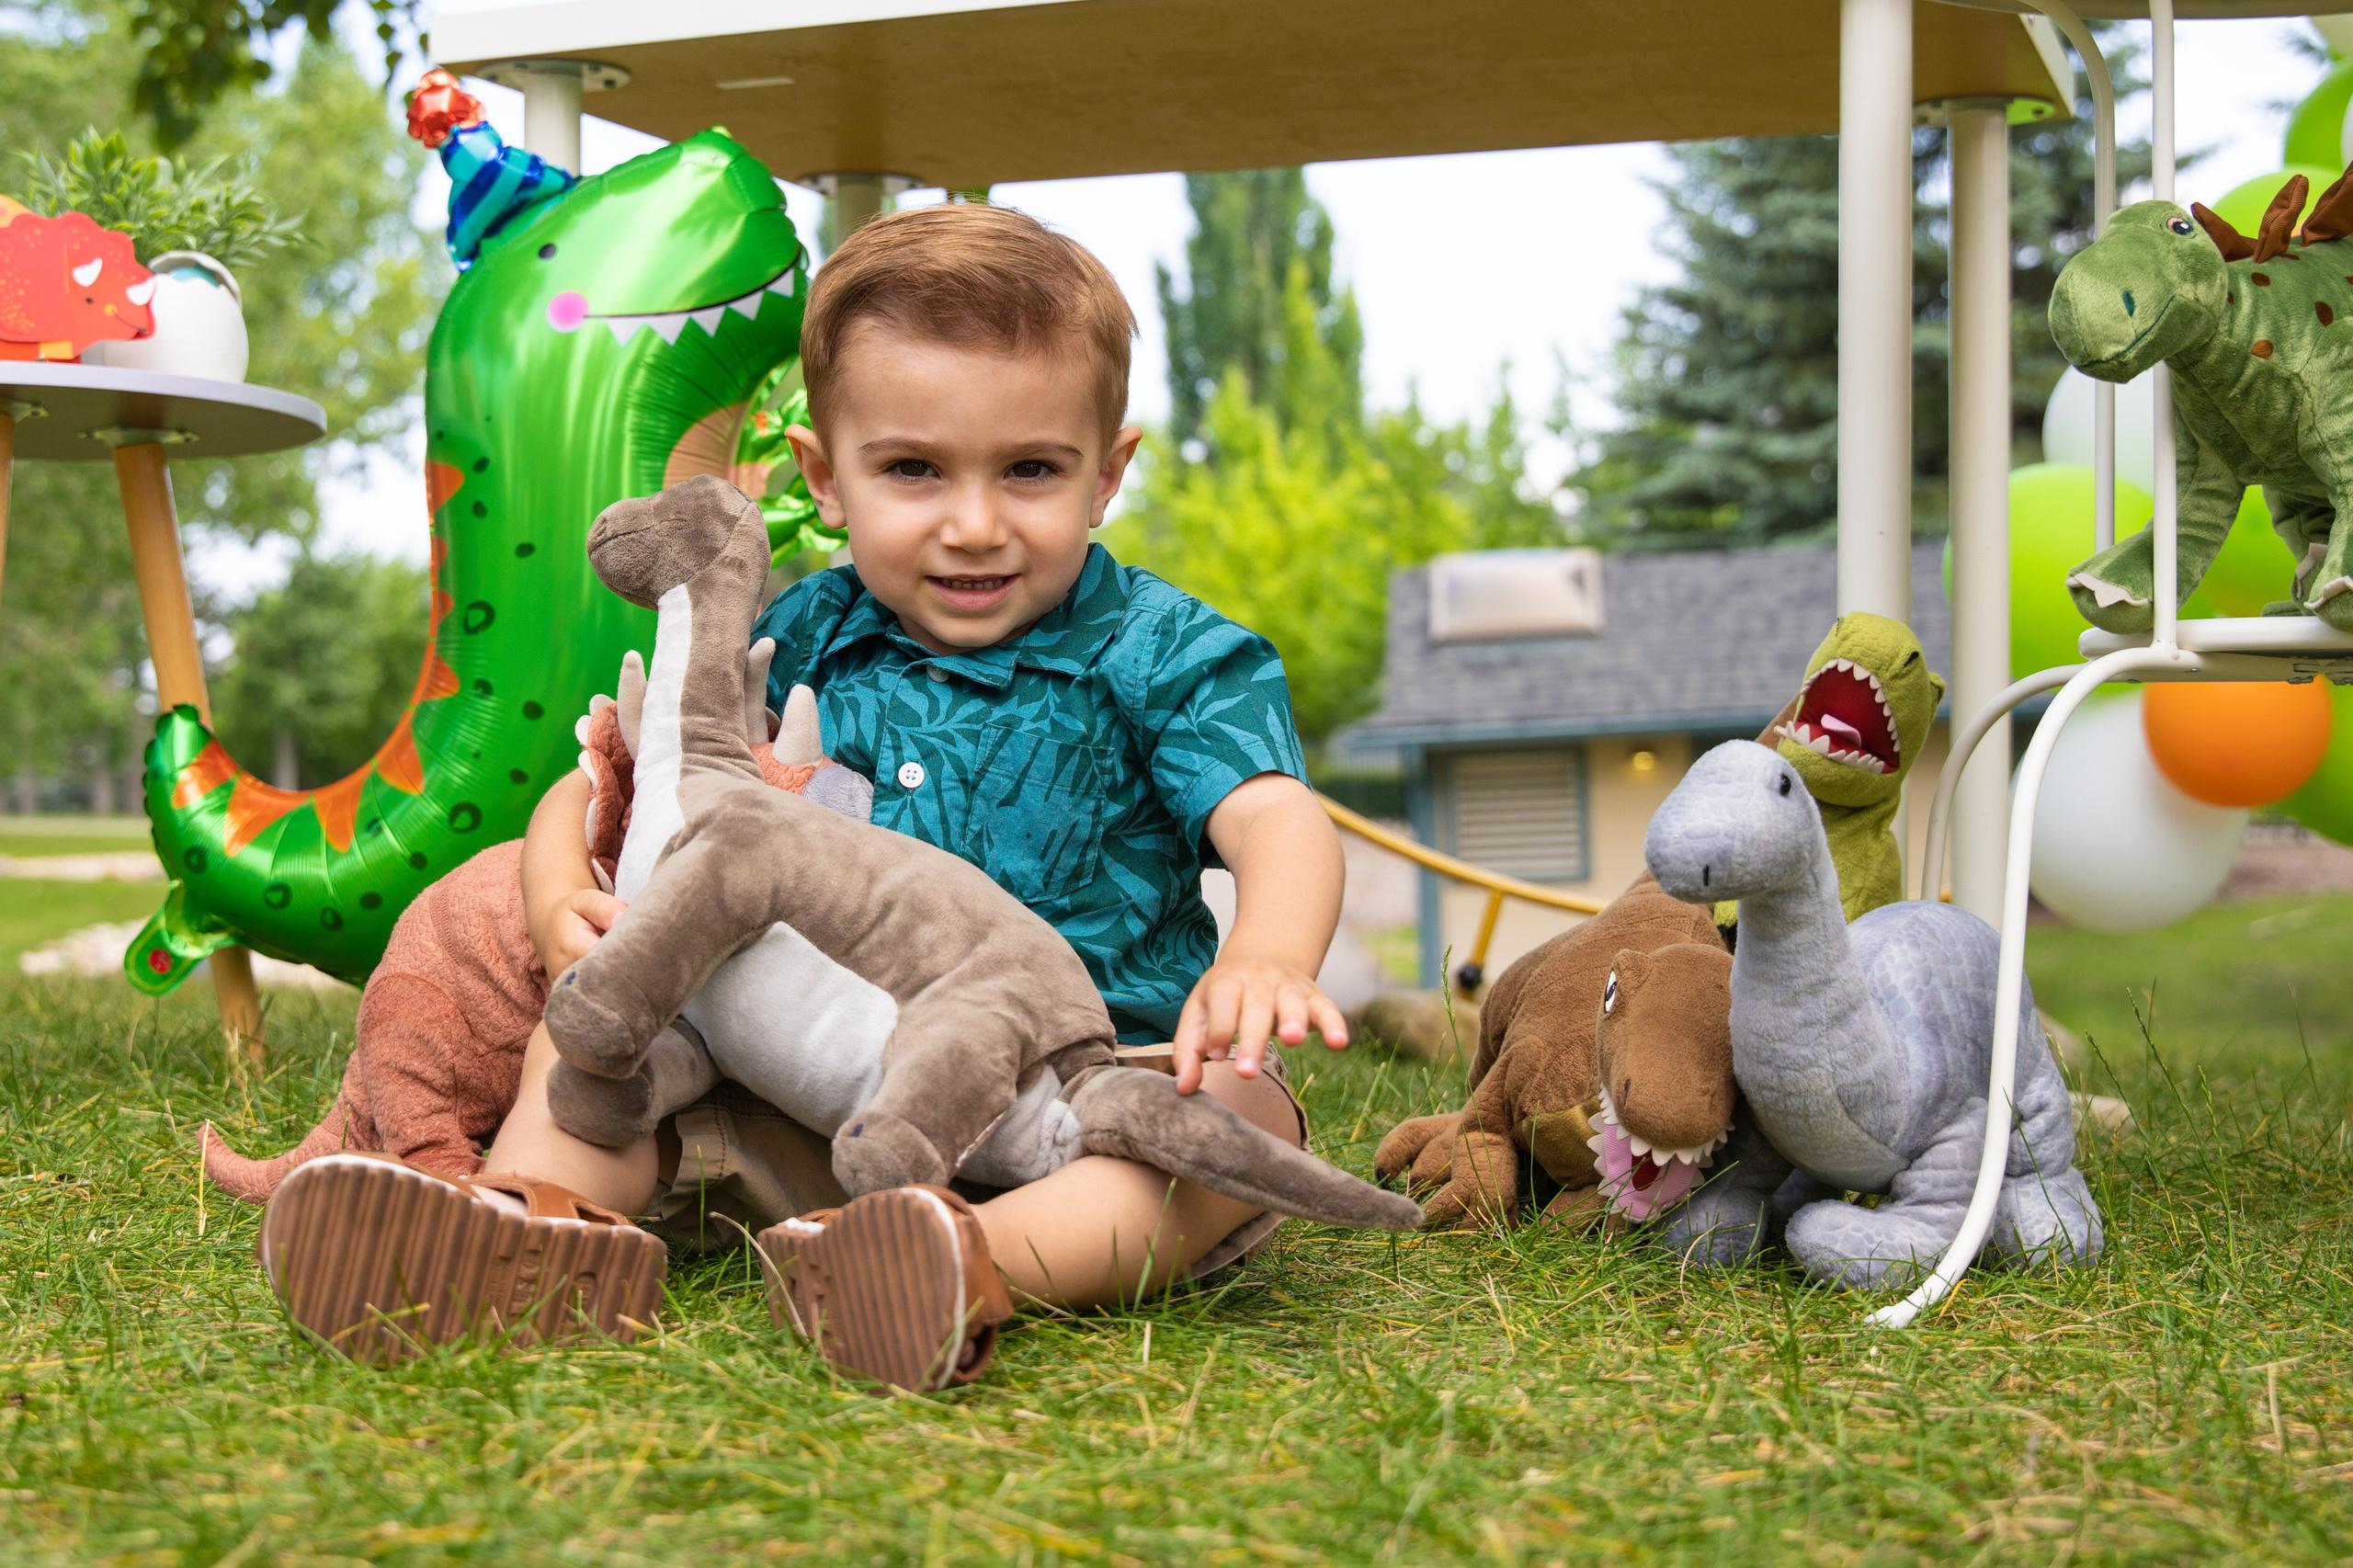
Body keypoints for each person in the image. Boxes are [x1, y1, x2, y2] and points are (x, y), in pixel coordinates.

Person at [259, 202, 1356, 1388]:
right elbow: (621, 779)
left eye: (1031, 470)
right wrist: (551, 896)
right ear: (824, 478)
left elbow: (1274, 811)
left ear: (1108, 476)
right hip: (813, 1094)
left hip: (1088, 1091)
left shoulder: (1163, 648)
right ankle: (530, 1230)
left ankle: (966, 1260)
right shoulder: (793, 635)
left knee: (1241, 1116)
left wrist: (1266, 956)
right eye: (913, 470)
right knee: (592, 1054)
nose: (974, 524)